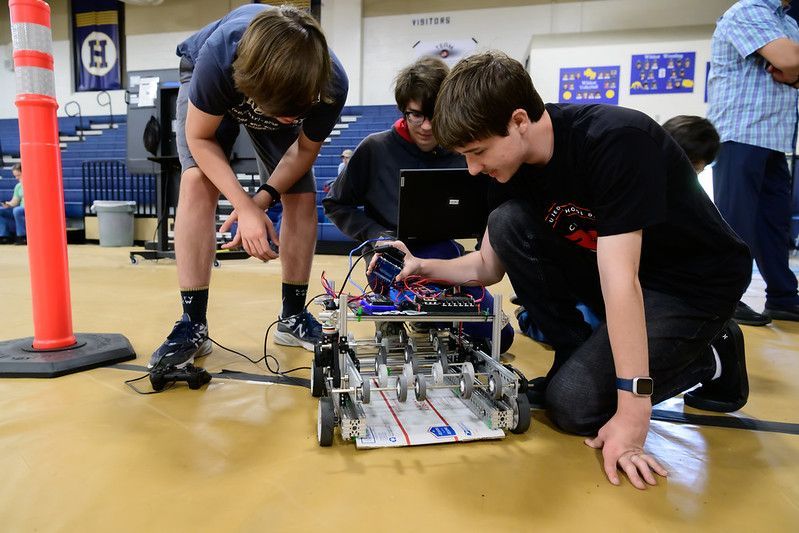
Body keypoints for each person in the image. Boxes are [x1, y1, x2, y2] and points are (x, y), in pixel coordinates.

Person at [373, 51, 752, 489]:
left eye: (477, 152)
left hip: (690, 284)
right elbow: (487, 266)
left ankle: (710, 355)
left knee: (574, 408)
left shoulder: (616, 138)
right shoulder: (507, 169)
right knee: (508, 221)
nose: (473, 168)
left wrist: (633, 417)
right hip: (619, 274)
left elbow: (621, 280)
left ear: (518, 121)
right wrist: (424, 267)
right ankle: (575, 351)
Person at [149, 4, 348, 370]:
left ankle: (291, 317)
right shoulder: (220, 58)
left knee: (302, 192)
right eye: (281, 112)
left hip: (276, 87)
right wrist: (243, 207)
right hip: (215, 75)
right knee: (197, 180)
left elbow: (303, 150)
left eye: (296, 112)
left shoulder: (332, 83)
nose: (289, 120)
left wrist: (261, 200)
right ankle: (193, 323)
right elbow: (200, 138)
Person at [323, 56, 514, 352]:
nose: (426, 126)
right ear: (403, 109)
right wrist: (379, 237)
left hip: (448, 258)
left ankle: (431, 317)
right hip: (390, 260)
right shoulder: (375, 149)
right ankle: (395, 313)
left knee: (500, 340)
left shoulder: (464, 151)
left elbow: (488, 212)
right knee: (413, 311)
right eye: (416, 115)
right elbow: (336, 203)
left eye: (434, 115)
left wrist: (480, 254)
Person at [707, 0, 799, 326]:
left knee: (774, 224)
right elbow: (790, 60)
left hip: (775, 135)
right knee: (735, 223)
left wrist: (790, 70)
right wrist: (788, 67)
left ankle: (783, 297)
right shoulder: (748, 10)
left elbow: (791, 68)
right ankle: (724, 298)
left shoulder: (788, 24)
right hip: (740, 131)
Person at [0, 163, 26, 245]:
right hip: (20, 208)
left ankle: (22, 236)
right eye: (15, 176)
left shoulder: (33, 184)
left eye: (18, 175)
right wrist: (8, 204)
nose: (17, 178)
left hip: (30, 208)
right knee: (1, 210)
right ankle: (4, 236)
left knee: (17, 210)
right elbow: (15, 201)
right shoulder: (18, 186)